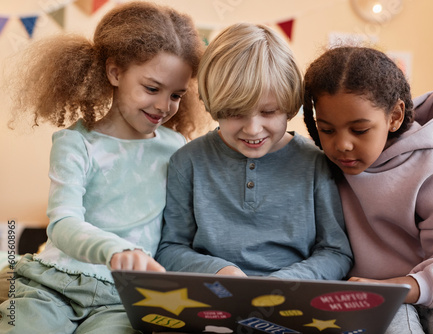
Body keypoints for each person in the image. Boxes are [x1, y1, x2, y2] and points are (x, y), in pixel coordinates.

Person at [0, 2, 204, 333]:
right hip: (54, 284)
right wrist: (115, 250)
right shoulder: (75, 143)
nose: (164, 105)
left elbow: (180, 230)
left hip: (122, 298)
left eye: (177, 94)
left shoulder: (177, 148)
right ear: (114, 73)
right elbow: (63, 223)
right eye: (152, 88)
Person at [303, 46, 433, 333]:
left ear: (395, 116)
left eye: (359, 130)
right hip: (375, 295)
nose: (342, 145)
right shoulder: (324, 168)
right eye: (327, 130)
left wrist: (403, 286)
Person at [155, 23, 353, 280]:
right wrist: (219, 271)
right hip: (212, 297)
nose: (252, 128)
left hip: (293, 301)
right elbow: (170, 249)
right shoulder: (188, 162)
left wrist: (285, 283)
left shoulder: (315, 163)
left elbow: (336, 252)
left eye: (268, 112)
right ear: (213, 105)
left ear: (290, 105)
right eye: (236, 113)